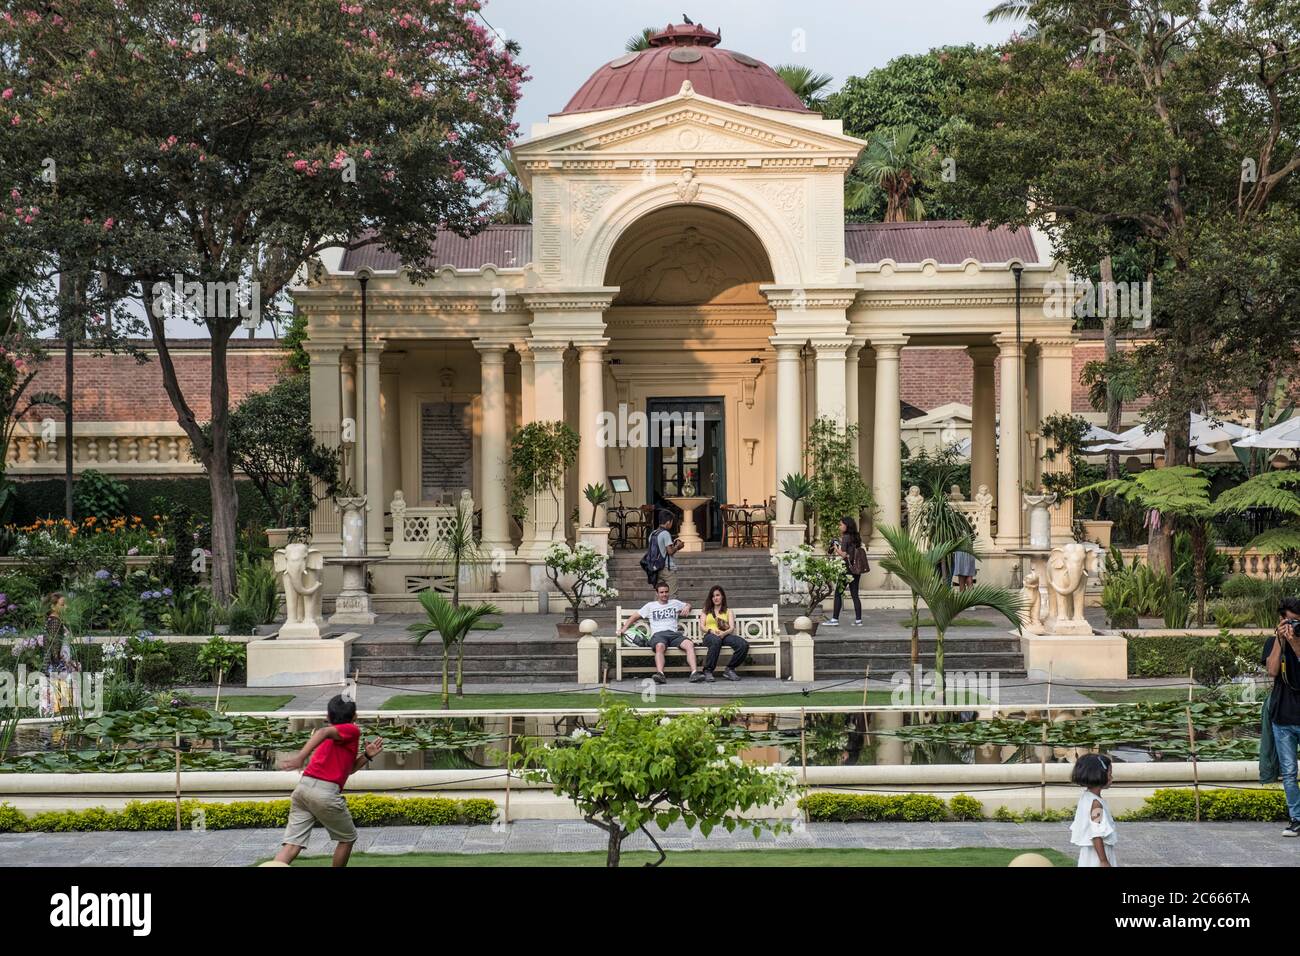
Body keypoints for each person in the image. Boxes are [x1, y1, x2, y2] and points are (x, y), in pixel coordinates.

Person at [274, 694, 384, 867]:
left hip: (303, 790)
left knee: (292, 845)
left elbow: (349, 770)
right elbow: (323, 731)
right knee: (347, 839)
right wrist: (300, 757)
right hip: (324, 793)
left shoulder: (335, 740)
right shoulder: (351, 730)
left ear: (327, 716)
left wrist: (366, 756)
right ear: (355, 716)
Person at [616, 581, 702, 684]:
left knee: (689, 644)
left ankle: (694, 673)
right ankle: (660, 674)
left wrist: (687, 607)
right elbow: (635, 616)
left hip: (673, 634)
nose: (664, 594)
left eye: (666, 592)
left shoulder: (674, 603)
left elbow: (688, 604)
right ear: (657, 593)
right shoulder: (650, 606)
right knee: (660, 646)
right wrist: (624, 629)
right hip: (658, 635)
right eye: (661, 592)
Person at [1264, 597, 1300, 836]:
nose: (1292, 626)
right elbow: (1272, 670)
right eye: (1288, 621)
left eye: (1296, 622)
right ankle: (1296, 818)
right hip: (1283, 718)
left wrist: (1295, 642)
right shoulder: (1273, 641)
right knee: (1288, 771)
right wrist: (1280, 640)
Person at [1069, 753, 1117, 867]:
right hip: (1097, 856)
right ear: (1099, 775)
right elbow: (1096, 834)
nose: (1112, 778)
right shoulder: (1096, 804)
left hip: (1090, 853)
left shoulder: (1086, 797)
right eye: (1110, 774)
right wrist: (1104, 861)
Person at [699, 585, 748, 683]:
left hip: (724, 635)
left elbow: (731, 627)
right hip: (710, 636)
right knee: (715, 640)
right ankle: (708, 670)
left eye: (718, 595)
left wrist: (724, 633)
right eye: (713, 596)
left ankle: (730, 669)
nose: (715, 598)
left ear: (722, 597)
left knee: (743, 644)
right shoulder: (706, 610)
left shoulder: (728, 611)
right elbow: (702, 627)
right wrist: (711, 631)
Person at [825, 517, 869, 627]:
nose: (839, 527)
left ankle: (835, 619)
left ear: (846, 525)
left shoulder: (846, 537)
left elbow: (844, 554)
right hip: (856, 569)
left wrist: (835, 547)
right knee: (855, 595)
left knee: (838, 593)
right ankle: (858, 620)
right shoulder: (856, 536)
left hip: (847, 569)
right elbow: (851, 551)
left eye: (841, 525)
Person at [40, 593, 77, 716]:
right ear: (53, 606)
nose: (66, 607)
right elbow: (54, 646)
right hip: (57, 666)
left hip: (58, 664)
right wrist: (61, 665)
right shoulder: (55, 622)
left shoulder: (54, 621)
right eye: (62, 604)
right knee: (61, 702)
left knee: (60, 702)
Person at [651, 511, 684, 596]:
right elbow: (670, 551)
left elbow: (660, 549)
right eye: (672, 522)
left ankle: (656, 609)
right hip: (667, 568)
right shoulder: (665, 533)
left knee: (659, 595)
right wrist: (678, 546)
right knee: (672, 595)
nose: (671, 524)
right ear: (668, 522)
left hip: (656, 568)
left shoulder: (652, 533)